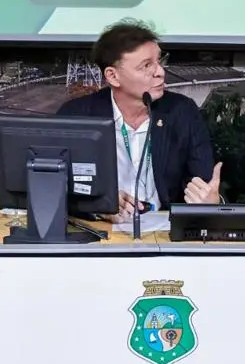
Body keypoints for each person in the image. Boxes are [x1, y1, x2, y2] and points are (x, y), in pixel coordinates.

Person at [57, 20, 221, 221]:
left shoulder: (182, 112)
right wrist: (98, 205)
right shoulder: (77, 116)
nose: (160, 72)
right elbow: (55, 189)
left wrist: (211, 203)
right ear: (113, 76)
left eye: (160, 61)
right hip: (102, 233)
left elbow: (202, 185)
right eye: (146, 66)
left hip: (165, 232)